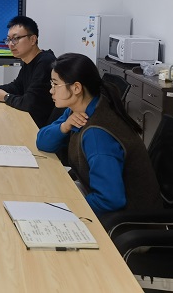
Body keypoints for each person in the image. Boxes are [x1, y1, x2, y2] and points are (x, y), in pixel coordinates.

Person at [36, 53, 162, 217]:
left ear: (76, 88)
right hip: (97, 195)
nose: (51, 90)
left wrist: (67, 210)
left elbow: (109, 200)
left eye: (55, 84)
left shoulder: (97, 133)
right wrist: (64, 126)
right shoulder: (80, 110)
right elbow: (42, 142)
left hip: (127, 219)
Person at [0, 16, 57, 127]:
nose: (11, 44)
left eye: (15, 38)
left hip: (39, 127)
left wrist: (5, 97)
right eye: (8, 39)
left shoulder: (45, 62)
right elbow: (18, 86)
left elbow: (29, 103)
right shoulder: (29, 60)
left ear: (33, 40)